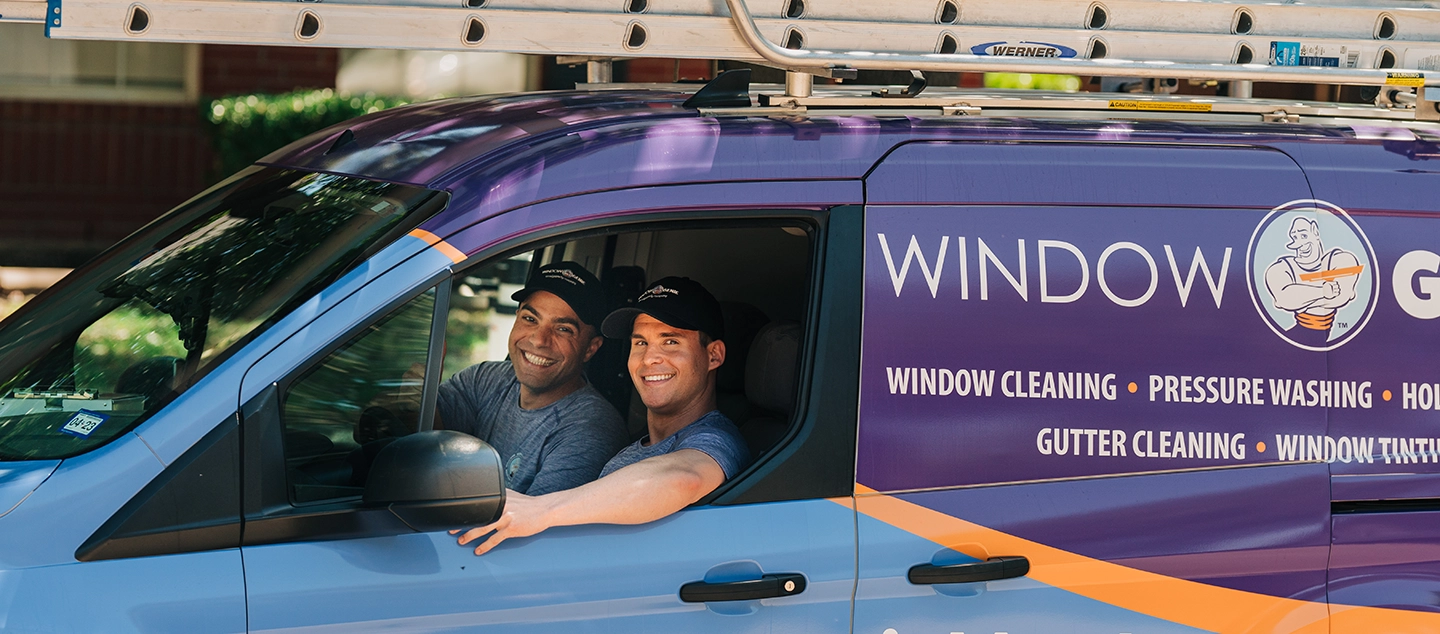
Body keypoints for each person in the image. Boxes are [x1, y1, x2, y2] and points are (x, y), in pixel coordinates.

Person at [454, 276, 751, 555]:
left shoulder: (715, 438)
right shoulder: (639, 444)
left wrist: (541, 510)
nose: (650, 358)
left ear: (714, 355)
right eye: (640, 343)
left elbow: (682, 479)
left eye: (670, 342)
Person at [436, 261, 628, 496]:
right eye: (530, 319)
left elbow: (529, 529)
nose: (539, 340)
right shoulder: (484, 379)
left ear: (591, 348)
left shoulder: (591, 430)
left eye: (563, 329)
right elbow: (419, 432)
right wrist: (419, 386)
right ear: (516, 318)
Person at [1263, 216, 1362, 347]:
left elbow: (1342, 297)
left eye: (1303, 235)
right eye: (1295, 237)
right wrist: (1323, 291)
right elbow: (1284, 299)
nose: (1300, 243)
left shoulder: (1341, 259)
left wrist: (1299, 298)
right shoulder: (1281, 268)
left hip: (1332, 338)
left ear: (1315, 231)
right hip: (1297, 338)